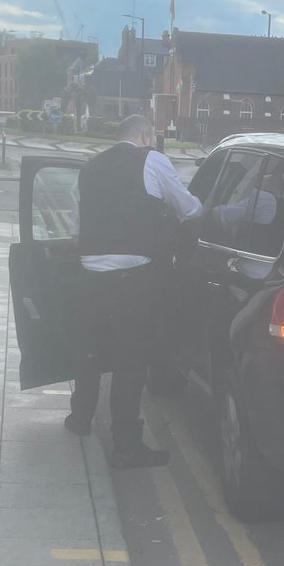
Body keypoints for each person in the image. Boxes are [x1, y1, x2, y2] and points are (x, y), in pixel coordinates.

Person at [64, 114, 203, 467]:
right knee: (130, 361)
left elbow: (76, 232)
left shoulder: (89, 168)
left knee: (89, 353)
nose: (154, 143)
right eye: (154, 138)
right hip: (132, 281)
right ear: (145, 136)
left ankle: (80, 418)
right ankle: (126, 445)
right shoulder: (151, 160)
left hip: (89, 278)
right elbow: (188, 209)